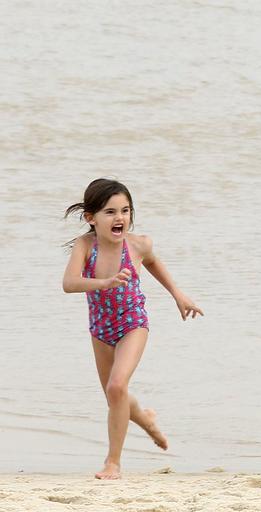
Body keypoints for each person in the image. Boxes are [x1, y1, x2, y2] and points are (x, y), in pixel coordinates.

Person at [62, 178, 203, 480]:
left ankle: (113, 463)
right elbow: (69, 283)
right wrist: (104, 283)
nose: (120, 218)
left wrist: (178, 295)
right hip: (100, 327)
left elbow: (152, 262)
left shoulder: (138, 245)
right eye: (110, 212)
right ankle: (147, 420)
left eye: (125, 211)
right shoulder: (85, 246)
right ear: (91, 218)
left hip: (132, 323)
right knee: (116, 395)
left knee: (116, 387)